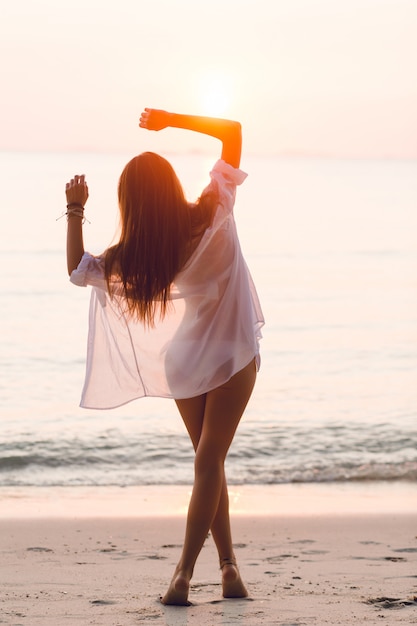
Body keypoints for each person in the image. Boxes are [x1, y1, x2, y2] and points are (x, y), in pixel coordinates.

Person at [65, 109, 264, 605]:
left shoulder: (141, 255)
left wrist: (74, 209)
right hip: (233, 354)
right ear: (172, 186)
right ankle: (182, 574)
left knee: (206, 463)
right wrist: (168, 120)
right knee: (210, 461)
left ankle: (229, 569)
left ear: (130, 206)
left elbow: (77, 268)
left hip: (186, 359)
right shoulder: (214, 208)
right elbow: (233, 132)